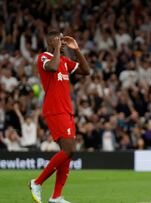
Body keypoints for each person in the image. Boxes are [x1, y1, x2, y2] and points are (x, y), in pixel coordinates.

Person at [29, 31, 90, 203]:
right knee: (70, 149)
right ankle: (37, 182)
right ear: (50, 41)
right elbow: (52, 67)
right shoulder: (44, 57)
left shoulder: (64, 60)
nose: (62, 42)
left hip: (67, 110)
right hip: (55, 109)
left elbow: (86, 71)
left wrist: (76, 49)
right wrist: (56, 48)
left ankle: (56, 197)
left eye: (63, 40)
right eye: (59, 39)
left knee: (68, 152)